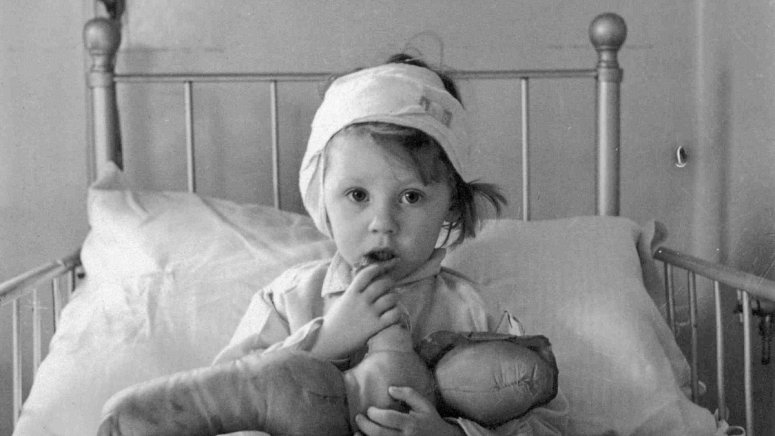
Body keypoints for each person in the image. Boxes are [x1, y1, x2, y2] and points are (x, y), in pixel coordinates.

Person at [212, 54, 569, 435]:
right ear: (322, 199)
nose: (383, 223)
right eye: (357, 195)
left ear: (449, 205)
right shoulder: (289, 302)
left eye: (411, 197)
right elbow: (219, 402)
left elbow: (550, 423)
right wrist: (323, 342)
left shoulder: (476, 314)